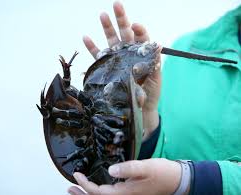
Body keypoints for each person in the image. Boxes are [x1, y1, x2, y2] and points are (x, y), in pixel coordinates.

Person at [68, 2, 241, 195]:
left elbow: (175, 177)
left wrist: (188, 180)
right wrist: (145, 123)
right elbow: (164, 163)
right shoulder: (190, 49)